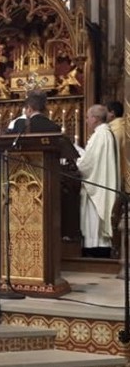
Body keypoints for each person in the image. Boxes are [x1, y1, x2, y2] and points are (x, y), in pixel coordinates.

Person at [77, 105, 118, 256]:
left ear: (94, 118)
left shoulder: (99, 135)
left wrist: (77, 160)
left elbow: (88, 163)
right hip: (101, 181)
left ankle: (95, 249)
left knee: (93, 219)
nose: (87, 121)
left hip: (97, 186)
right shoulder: (105, 133)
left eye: (88, 118)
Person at [107, 101, 128, 257]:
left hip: (118, 175)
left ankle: (116, 248)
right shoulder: (123, 127)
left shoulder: (113, 130)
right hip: (122, 174)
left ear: (112, 113)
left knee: (116, 213)